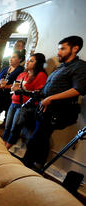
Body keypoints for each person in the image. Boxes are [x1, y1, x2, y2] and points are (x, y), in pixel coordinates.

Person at [23, 36, 86, 170]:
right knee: (41, 139)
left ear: (75, 49)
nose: (58, 52)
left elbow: (78, 89)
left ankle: (24, 167)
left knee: (35, 141)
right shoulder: (62, 66)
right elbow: (50, 86)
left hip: (57, 111)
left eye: (63, 49)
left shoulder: (80, 66)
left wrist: (50, 98)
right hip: (44, 109)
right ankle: (38, 165)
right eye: (58, 49)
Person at [3, 53, 47, 150]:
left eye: (31, 61)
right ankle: (2, 144)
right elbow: (15, 86)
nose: (27, 62)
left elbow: (39, 93)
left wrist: (24, 90)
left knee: (15, 127)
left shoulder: (41, 75)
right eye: (27, 60)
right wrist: (14, 88)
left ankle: (6, 148)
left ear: (38, 63)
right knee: (7, 125)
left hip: (24, 106)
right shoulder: (22, 74)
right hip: (14, 102)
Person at [0, 51, 25, 126]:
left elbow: (18, 84)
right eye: (10, 57)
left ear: (20, 59)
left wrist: (5, 86)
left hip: (6, 96)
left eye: (13, 57)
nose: (10, 59)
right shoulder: (6, 68)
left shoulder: (20, 70)